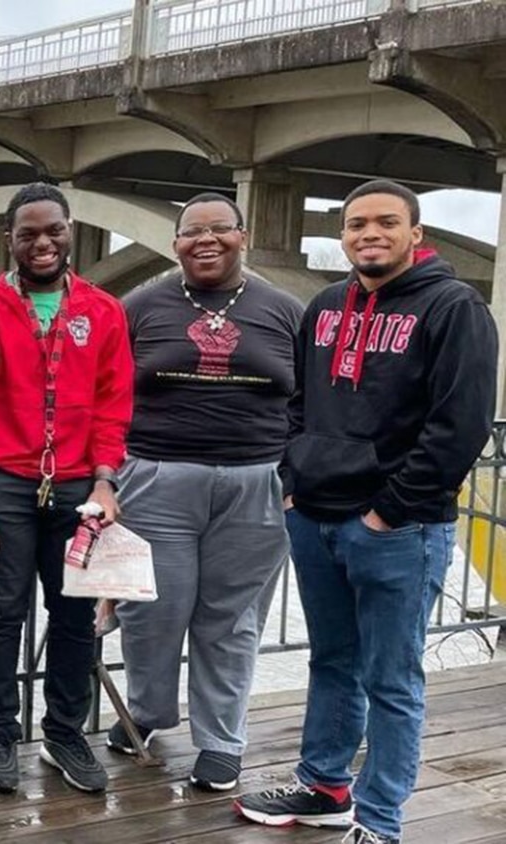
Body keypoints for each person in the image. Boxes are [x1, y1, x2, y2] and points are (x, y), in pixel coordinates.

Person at [234, 180, 497, 844]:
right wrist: (294, 481)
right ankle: (324, 786)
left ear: (415, 233)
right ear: (344, 234)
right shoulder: (324, 305)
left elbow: (458, 428)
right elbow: (299, 403)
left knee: (392, 677)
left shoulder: (454, 307)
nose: (368, 234)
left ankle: (379, 821)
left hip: (397, 529)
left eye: (386, 223)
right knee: (332, 660)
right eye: (356, 224)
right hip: (314, 515)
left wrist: (388, 510)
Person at [0, 182, 133, 796]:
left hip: (78, 484)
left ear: (70, 230)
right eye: (29, 234)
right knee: (1, 613)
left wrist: (106, 480)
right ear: (10, 241)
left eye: (53, 230)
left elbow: (112, 405)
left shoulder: (102, 311)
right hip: (4, 485)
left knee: (76, 613)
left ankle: (63, 733)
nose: (43, 243)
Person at [109, 193, 303, 791]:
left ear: (243, 236)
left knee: (232, 618)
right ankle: (148, 712)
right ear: (175, 244)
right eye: (193, 231)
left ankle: (221, 739)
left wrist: (295, 480)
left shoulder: (286, 310)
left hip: (256, 482)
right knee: (152, 610)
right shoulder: (139, 306)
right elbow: (104, 393)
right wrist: (105, 477)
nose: (207, 240)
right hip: (156, 477)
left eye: (221, 229)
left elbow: (310, 403)